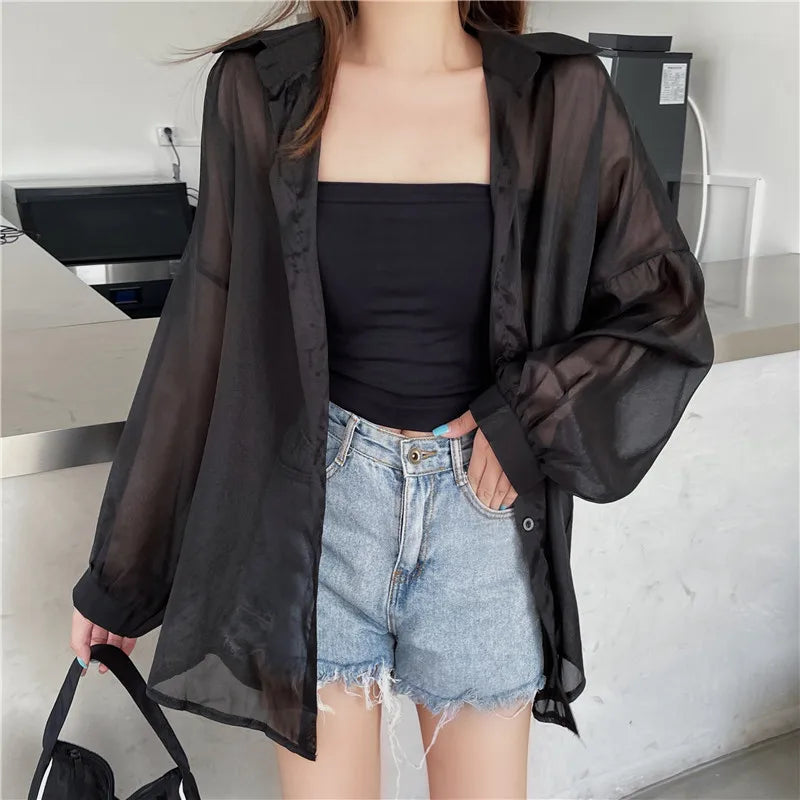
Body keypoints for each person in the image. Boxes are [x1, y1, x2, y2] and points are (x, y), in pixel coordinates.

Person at [70, 2, 715, 798]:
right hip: (316, 519)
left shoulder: (560, 93)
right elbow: (205, 333)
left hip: (483, 528)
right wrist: (122, 577)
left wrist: (526, 419)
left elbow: (664, 310)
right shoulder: (260, 88)